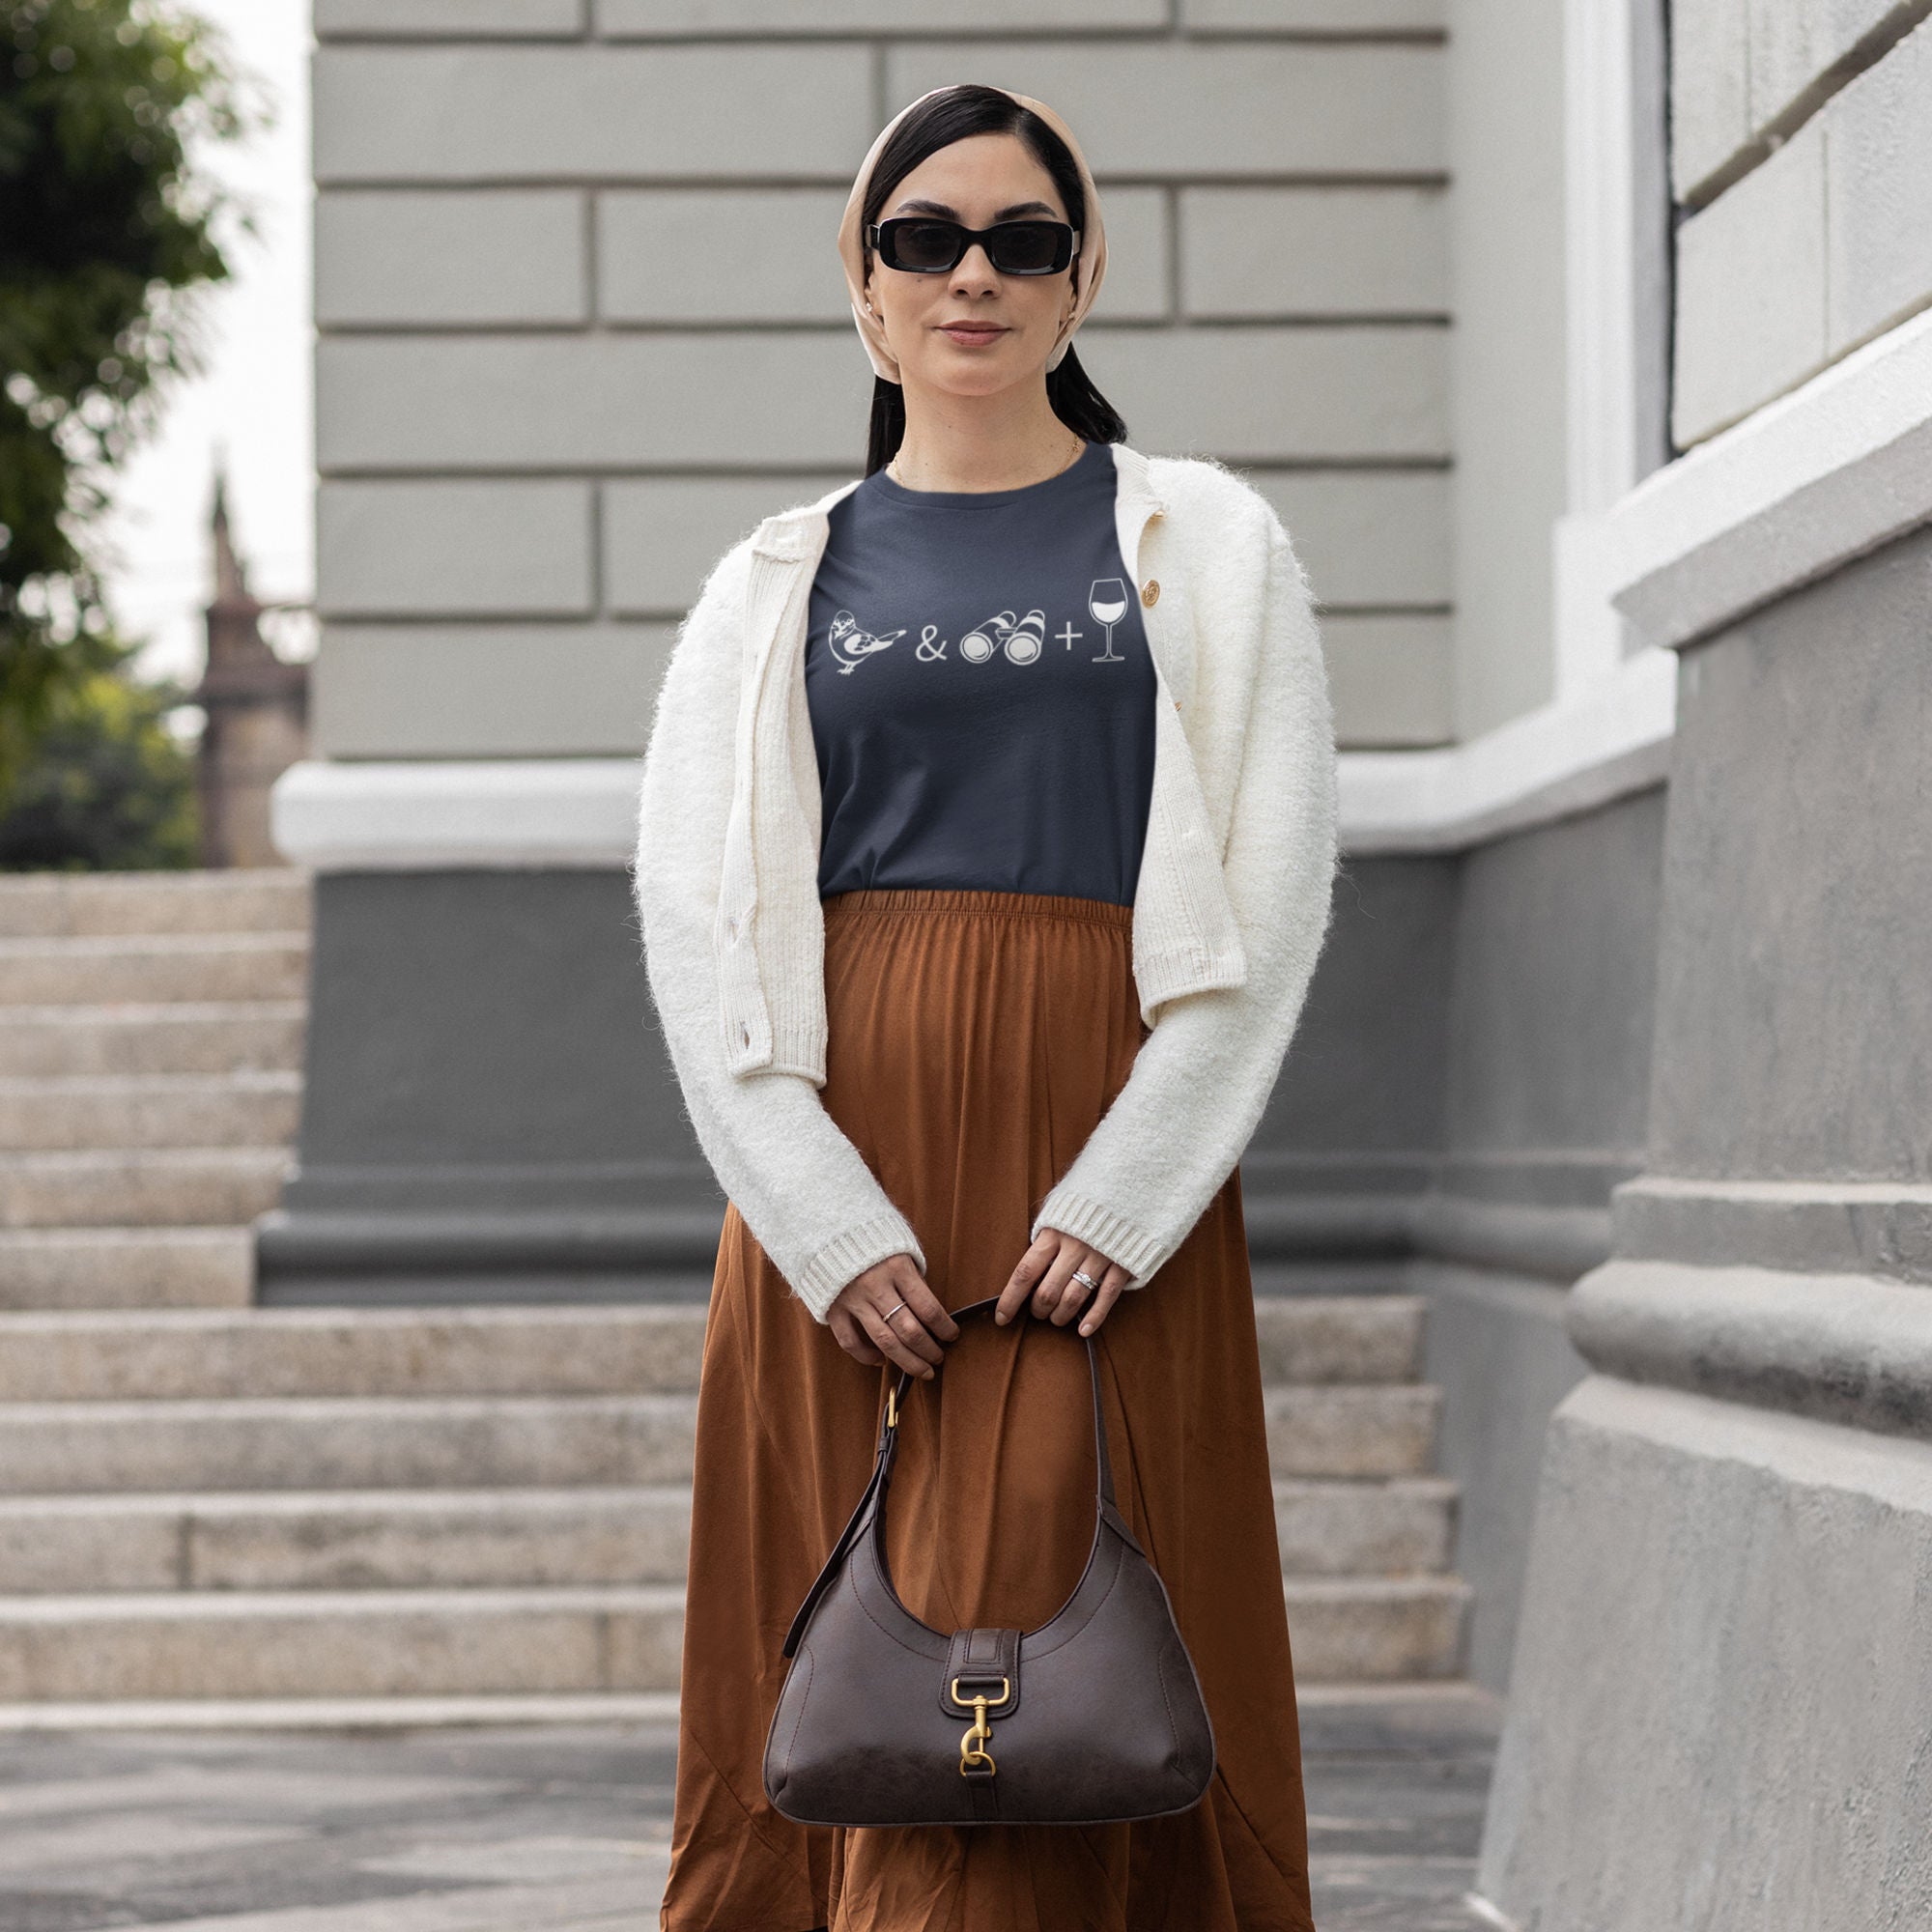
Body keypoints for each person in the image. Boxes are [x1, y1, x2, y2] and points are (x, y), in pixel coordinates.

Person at [634, 79, 1338, 1932]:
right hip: (840, 1189)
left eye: (1024, 241)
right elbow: (703, 932)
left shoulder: (1213, 544)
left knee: (1064, 1677)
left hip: (1096, 1197)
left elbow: (1265, 901)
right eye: (924, 237)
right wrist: (817, 1217)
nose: (974, 276)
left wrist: (1130, 1192)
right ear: (863, 283)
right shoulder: (767, 585)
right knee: (844, 1681)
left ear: (1081, 278)